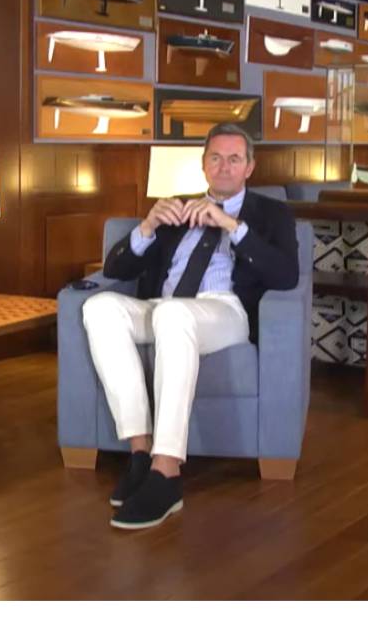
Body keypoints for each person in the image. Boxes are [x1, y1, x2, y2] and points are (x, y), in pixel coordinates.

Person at [82, 123, 299, 530]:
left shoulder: (271, 214)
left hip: (224, 312)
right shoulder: (178, 210)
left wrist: (231, 225)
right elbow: (115, 269)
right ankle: (140, 453)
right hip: (165, 308)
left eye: (234, 159)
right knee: (100, 308)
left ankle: (166, 473)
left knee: (174, 315)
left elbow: (287, 275)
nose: (224, 167)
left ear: (249, 167)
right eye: (215, 158)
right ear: (203, 164)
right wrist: (147, 226)